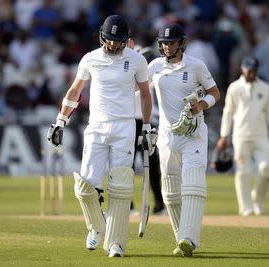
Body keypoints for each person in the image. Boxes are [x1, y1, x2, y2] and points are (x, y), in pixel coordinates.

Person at [46, 15, 153, 258]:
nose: (113, 46)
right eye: (109, 40)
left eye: (118, 41)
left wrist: (146, 127)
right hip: (96, 126)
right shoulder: (90, 58)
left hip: (124, 127)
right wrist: (60, 121)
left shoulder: (136, 60)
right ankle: (97, 226)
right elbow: (75, 91)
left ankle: (115, 242)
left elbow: (146, 95)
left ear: (126, 40)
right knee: (85, 186)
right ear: (101, 36)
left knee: (121, 186)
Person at [148, 23, 220, 257]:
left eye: (171, 43)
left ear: (181, 43)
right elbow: (136, 86)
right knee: (170, 193)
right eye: (164, 43)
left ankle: (189, 238)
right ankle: (183, 239)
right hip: (168, 135)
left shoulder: (196, 65)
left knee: (193, 183)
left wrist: (202, 104)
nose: (167, 47)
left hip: (193, 133)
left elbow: (215, 92)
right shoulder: (154, 66)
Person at [217, 56, 269, 217]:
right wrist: (224, 135)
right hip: (240, 135)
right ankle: (246, 208)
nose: (251, 73)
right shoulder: (234, 87)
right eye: (248, 70)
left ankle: (257, 200)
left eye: (253, 70)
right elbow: (228, 112)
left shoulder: (264, 87)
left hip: (260, 135)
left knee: (267, 169)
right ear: (242, 69)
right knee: (243, 171)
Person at [131, 46, 165, 216]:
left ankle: (159, 205)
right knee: (126, 167)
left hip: (147, 123)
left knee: (153, 166)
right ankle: (128, 206)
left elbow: (155, 105)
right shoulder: (132, 74)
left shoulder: (152, 79)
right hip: (131, 123)